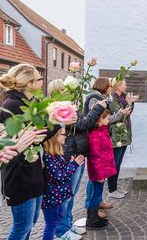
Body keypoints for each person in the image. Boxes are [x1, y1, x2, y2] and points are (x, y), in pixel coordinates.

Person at [49, 79, 106, 239]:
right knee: (65, 195)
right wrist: (98, 110)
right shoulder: (59, 110)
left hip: (78, 154)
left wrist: (92, 111)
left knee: (71, 194)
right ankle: (61, 231)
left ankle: (68, 225)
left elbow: (81, 122)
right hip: (70, 155)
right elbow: (83, 124)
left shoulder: (70, 107)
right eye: (66, 90)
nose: (70, 93)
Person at [0, 64, 47, 239]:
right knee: (22, 227)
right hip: (19, 175)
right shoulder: (12, 105)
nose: (42, 81)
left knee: (30, 223)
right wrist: (55, 121)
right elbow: (34, 136)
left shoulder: (28, 103)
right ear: (29, 83)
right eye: (39, 78)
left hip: (32, 171)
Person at [83, 77, 129, 208]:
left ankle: (98, 201)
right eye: (109, 86)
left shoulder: (100, 97)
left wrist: (120, 114)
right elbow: (97, 119)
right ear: (104, 87)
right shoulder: (94, 98)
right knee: (95, 176)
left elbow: (105, 119)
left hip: (102, 135)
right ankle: (91, 205)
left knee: (100, 174)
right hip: (96, 137)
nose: (110, 89)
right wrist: (119, 114)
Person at [41, 127, 84, 240]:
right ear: (54, 138)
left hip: (57, 197)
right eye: (63, 134)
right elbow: (58, 177)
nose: (66, 136)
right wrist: (73, 165)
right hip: (51, 199)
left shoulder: (55, 154)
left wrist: (68, 164)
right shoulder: (48, 156)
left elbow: (60, 171)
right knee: (51, 224)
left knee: (57, 219)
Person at [86, 109, 117, 229]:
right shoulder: (95, 135)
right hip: (98, 172)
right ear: (100, 120)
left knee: (97, 193)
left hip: (103, 170)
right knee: (96, 194)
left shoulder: (102, 131)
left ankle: (95, 217)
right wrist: (99, 174)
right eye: (107, 118)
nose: (109, 120)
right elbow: (95, 157)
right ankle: (91, 220)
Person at [108, 79, 137, 199]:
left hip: (123, 135)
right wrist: (129, 104)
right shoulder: (113, 100)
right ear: (118, 86)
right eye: (124, 84)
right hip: (117, 136)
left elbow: (127, 113)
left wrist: (130, 103)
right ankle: (112, 189)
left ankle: (114, 188)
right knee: (114, 163)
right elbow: (121, 116)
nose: (126, 86)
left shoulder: (122, 98)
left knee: (118, 163)